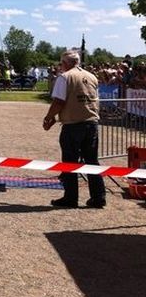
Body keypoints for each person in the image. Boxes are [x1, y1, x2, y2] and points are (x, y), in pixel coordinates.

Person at [43, 49, 106, 209]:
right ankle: (98, 197)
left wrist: (49, 117)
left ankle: (71, 198)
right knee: (92, 161)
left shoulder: (64, 77)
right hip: (91, 122)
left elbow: (59, 102)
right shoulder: (92, 76)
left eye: (61, 63)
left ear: (65, 63)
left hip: (72, 125)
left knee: (70, 162)